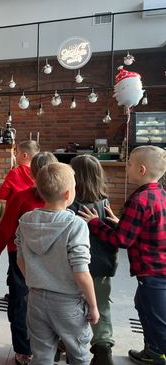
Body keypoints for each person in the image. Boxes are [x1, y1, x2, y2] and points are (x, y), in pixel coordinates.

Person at [79, 146, 166, 364]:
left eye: (129, 164)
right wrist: (121, 223)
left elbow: (122, 240)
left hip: (151, 270)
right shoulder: (160, 194)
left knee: (154, 314)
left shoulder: (139, 201)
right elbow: (147, 228)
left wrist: (95, 223)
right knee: (144, 305)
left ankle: (157, 354)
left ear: (141, 169)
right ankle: (152, 348)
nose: (126, 167)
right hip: (160, 267)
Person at [16, 162, 99, 364]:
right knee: (79, 355)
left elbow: (20, 259)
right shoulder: (76, 225)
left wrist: (36, 280)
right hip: (69, 304)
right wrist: (93, 305)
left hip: (36, 299)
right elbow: (81, 272)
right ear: (68, 194)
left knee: (41, 355)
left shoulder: (26, 221)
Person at [0, 151, 58, 365]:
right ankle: (51, 346)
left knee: (20, 302)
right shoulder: (63, 199)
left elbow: (6, 227)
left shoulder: (21, 197)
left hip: (21, 257)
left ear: (32, 173)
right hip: (52, 259)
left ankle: (23, 350)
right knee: (51, 301)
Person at [67, 155, 118, 365]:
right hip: (103, 266)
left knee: (71, 307)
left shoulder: (70, 205)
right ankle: (103, 348)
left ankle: (66, 345)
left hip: (75, 268)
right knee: (102, 306)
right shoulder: (104, 203)